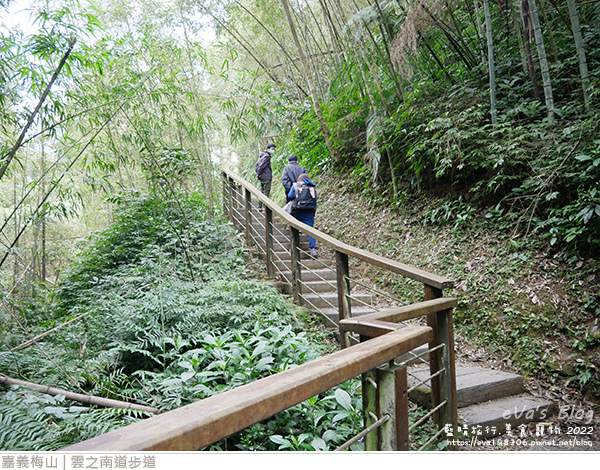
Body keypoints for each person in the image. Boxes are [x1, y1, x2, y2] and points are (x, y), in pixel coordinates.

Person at [288, 173, 318, 258]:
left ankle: (293, 247)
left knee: (294, 229)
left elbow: (290, 196)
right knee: (310, 231)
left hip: (296, 211)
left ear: (299, 179)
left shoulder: (296, 185)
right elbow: (315, 202)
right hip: (308, 213)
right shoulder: (312, 187)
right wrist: (313, 213)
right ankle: (313, 249)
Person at [255, 143, 275, 212]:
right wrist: (259, 174)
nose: (273, 150)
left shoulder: (261, 156)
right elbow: (261, 166)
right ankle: (265, 208)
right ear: (268, 149)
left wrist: (258, 174)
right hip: (266, 177)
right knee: (266, 193)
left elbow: (257, 165)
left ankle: (260, 207)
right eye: (272, 149)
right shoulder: (266, 156)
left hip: (262, 177)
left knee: (262, 192)